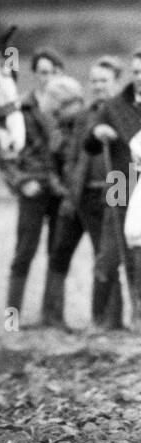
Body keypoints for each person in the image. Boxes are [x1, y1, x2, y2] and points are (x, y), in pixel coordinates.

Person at [49, 59, 122, 331]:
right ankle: (65, 317)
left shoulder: (123, 112)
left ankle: (110, 320)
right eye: (94, 81)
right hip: (85, 193)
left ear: (115, 81)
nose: (98, 86)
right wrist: (71, 184)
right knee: (68, 250)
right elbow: (73, 155)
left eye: (104, 80)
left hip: (115, 192)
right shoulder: (85, 115)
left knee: (108, 255)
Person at [1, 54, 69, 326]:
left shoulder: (69, 107)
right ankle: (12, 319)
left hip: (60, 189)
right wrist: (20, 182)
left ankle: (53, 316)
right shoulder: (21, 108)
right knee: (24, 252)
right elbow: (5, 153)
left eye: (51, 71)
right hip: (33, 186)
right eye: (41, 71)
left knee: (58, 250)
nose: (46, 77)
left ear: (60, 73)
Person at [84, 47, 141, 326]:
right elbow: (89, 141)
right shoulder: (115, 105)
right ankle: (107, 318)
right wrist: (98, 132)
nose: (140, 77)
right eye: (137, 72)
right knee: (113, 249)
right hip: (121, 180)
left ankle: (136, 314)